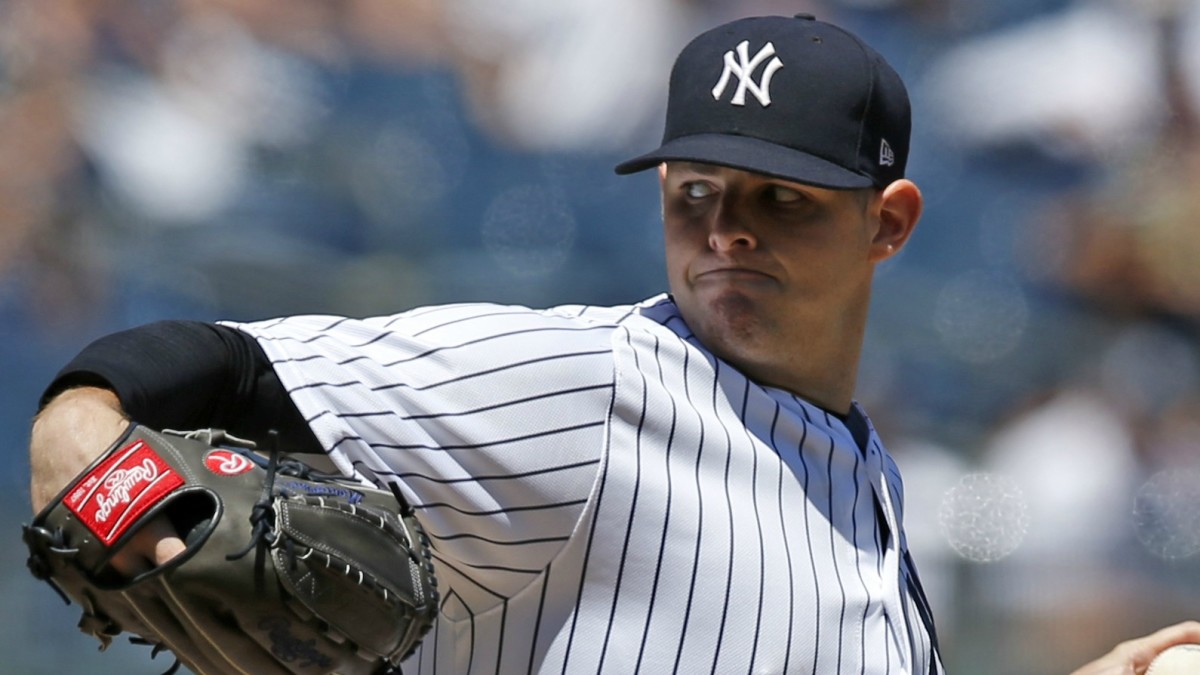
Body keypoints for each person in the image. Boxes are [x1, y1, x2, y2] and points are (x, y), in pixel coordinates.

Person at [27, 13, 1200, 675]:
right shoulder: (587, 390)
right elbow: (181, 368)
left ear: (887, 225)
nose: (728, 231)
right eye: (698, 192)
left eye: (781, 199)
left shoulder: (865, 483)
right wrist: (107, 480)